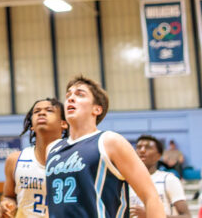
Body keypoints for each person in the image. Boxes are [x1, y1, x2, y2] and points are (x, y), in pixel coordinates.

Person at [45, 75, 162, 218]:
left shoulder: (109, 141)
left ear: (97, 109)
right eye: (68, 95)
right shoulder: (52, 149)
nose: (71, 98)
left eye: (80, 94)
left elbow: (151, 196)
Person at [0, 98, 67, 218]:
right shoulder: (15, 160)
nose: (41, 113)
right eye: (36, 111)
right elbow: (9, 196)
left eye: (49, 110)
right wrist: (6, 205)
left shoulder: (76, 158)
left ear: (63, 123)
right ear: (32, 126)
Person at [131, 135, 188, 218]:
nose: (142, 150)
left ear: (159, 155)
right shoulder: (127, 182)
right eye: (139, 147)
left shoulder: (169, 179)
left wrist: (152, 215)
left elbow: (186, 216)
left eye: (148, 147)